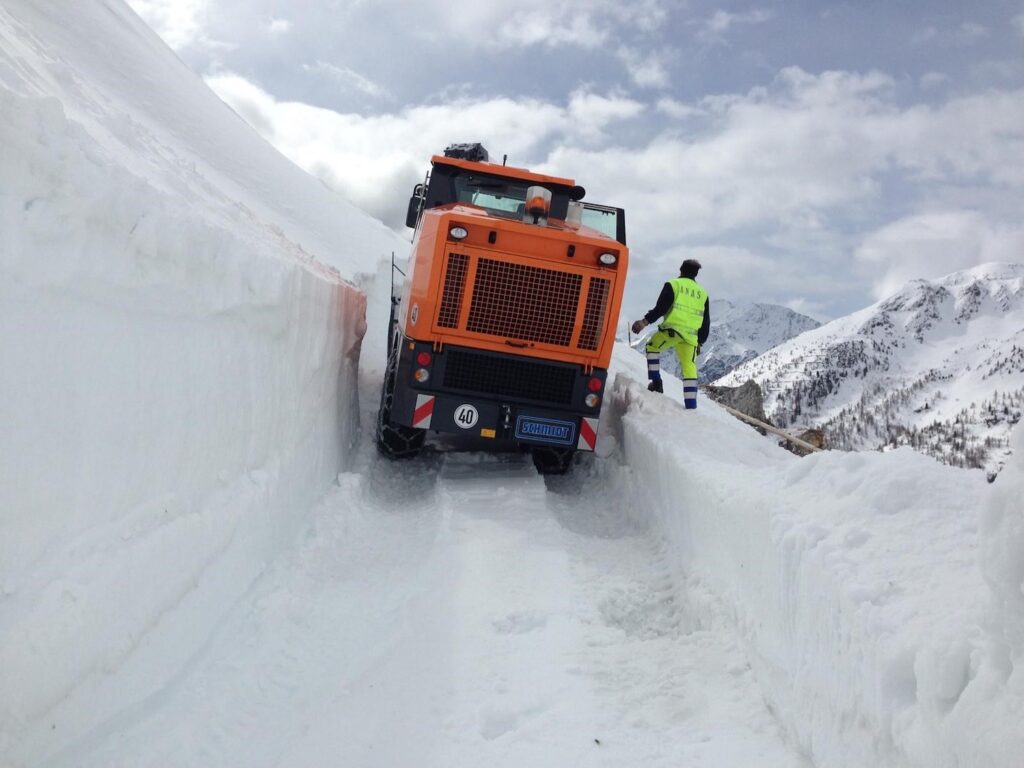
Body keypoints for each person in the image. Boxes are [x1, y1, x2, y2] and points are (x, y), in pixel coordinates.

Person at [631, 259, 710, 409]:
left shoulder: (674, 284)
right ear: (696, 274)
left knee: (652, 347)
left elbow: (661, 308)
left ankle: (656, 383)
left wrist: (644, 322)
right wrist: (700, 342)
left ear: (680, 270)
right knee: (689, 367)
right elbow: (706, 321)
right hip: (691, 337)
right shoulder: (703, 294)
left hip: (672, 331)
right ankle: (691, 405)